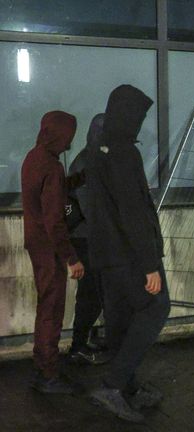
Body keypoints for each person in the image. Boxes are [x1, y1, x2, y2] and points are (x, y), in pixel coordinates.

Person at [86, 85, 170, 423]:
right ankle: (113, 385)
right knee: (156, 306)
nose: (140, 121)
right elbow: (132, 211)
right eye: (139, 115)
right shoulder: (123, 152)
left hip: (107, 253)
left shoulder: (97, 150)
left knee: (121, 319)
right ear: (126, 113)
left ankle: (128, 387)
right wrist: (149, 264)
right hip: (129, 255)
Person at [21, 111, 85, 394]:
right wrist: (71, 257)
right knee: (52, 309)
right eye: (68, 136)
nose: (69, 143)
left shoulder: (33, 158)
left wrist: (78, 179)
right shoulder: (52, 167)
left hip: (36, 244)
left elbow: (51, 191)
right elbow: (54, 220)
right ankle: (49, 375)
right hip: (50, 249)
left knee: (45, 306)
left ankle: (43, 366)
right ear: (59, 134)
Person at [65, 114, 110, 365]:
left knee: (94, 293)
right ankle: (78, 347)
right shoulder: (87, 162)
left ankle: (82, 342)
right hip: (86, 237)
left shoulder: (89, 159)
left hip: (89, 236)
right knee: (90, 294)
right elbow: (87, 204)